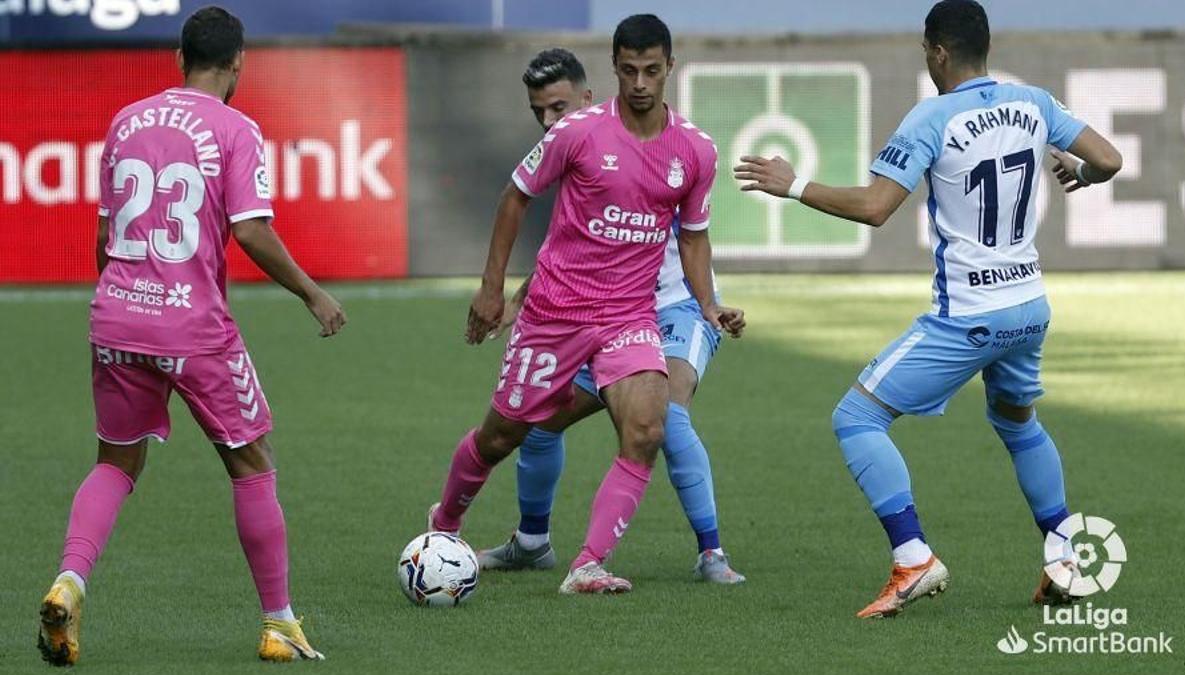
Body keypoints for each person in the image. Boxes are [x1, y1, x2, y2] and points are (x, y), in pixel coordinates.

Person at [734, 0, 1122, 618]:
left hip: (970, 314)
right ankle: (1067, 555)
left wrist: (794, 185)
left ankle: (913, 556)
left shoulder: (931, 118)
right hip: (1030, 305)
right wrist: (1082, 175)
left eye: (925, 50)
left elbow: (875, 207)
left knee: (856, 417)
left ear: (938, 52)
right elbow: (1109, 160)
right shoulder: (1036, 103)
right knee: (1019, 424)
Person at [38, 6, 344, 665]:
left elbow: (102, 236)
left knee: (114, 463)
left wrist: (124, 302)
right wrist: (312, 292)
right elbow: (252, 229)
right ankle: (279, 624)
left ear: (179, 58)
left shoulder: (126, 120)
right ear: (239, 63)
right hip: (193, 325)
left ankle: (70, 579)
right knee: (251, 461)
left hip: (115, 315)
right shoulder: (237, 128)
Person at [427, 14, 744, 595]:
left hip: (629, 316)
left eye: (652, 70)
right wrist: (493, 289)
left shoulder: (695, 150)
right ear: (615, 68)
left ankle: (589, 563)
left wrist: (708, 305)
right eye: (629, 71)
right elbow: (515, 197)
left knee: (650, 425)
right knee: (504, 434)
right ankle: (443, 526)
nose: (642, 82)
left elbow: (694, 236)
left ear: (669, 67)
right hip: (555, 316)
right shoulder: (577, 133)